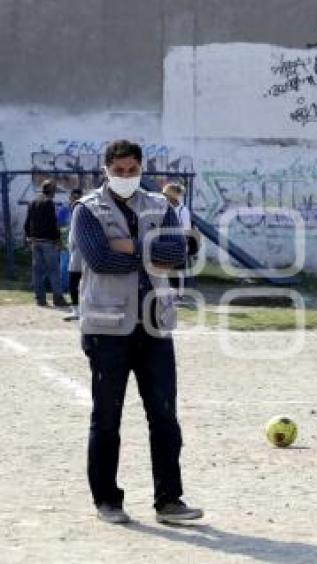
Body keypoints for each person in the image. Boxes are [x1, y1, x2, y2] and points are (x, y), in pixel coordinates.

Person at [72, 139, 202, 524]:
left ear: (141, 169)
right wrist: (150, 250)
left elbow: (177, 255)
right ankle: (108, 500)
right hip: (107, 329)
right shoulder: (87, 210)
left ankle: (169, 501)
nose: (126, 176)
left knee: (164, 417)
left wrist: (129, 244)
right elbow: (99, 259)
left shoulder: (160, 206)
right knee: (107, 417)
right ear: (106, 170)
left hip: (155, 326)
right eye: (119, 171)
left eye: (132, 170)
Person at [24, 179, 67, 307]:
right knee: (54, 270)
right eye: (54, 190)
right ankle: (57, 298)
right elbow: (52, 223)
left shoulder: (32, 202)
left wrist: (28, 236)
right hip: (48, 241)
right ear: (51, 190)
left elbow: (27, 222)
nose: (55, 192)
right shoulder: (49, 202)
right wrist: (58, 240)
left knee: (37, 271)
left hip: (35, 241)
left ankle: (40, 299)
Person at [162, 183, 192, 299]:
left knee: (178, 270)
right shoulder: (163, 208)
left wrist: (182, 246)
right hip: (165, 244)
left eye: (165, 195)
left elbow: (186, 231)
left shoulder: (182, 211)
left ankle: (179, 294)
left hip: (178, 245)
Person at [63, 188, 84, 321]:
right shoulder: (72, 211)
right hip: (75, 252)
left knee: (75, 282)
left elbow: (75, 237)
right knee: (75, 282)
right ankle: (77, 310)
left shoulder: (82, 211)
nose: (74, 201)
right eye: (73, 198)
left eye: (77, 199)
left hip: (80, 253)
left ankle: (79, 310)